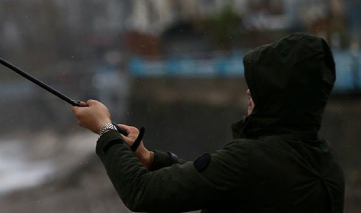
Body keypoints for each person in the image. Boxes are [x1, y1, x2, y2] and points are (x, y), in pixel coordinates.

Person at [72, 33, 345, 212]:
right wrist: (150, 158)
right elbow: (221, 184)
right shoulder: (326, 162)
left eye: (258, 86)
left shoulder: (249, 159)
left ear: (279, 95)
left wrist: (105, 129)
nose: (249, 92)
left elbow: (142, 192)